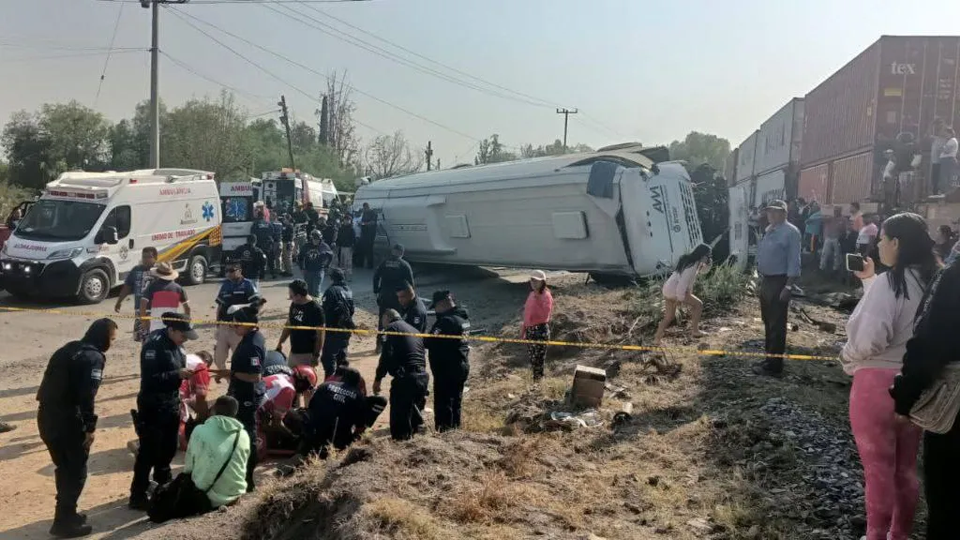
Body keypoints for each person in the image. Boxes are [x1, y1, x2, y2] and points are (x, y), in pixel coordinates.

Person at [841, 213, 938, 540]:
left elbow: (871, 338)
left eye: (882, 239)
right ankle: (899, 534)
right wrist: (869, 280)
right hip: (915, 385)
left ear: (896, 243)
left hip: (875, 386)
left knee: (877, 468)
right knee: (906, 468)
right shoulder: (933, 282)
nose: (878, 245)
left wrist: (847, 356)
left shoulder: (890, 282)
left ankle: (875, 534)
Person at [891, 248, 960, 539]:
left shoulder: (954, 277)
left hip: (955, 416)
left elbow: (929, 343)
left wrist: (905, 400)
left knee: (949, 504)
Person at [36, 319, 117, 537]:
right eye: (111, 339)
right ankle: (63, 521)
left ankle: (67, 514)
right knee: (75, 471)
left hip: (46, 416)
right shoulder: (94, 358)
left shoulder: (67, 349)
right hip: (68, 420)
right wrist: (90, 426)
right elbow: (87, 396)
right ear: (103, 337)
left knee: (64, 466)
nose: (111, 343)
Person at [130, 313, 199, 510]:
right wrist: (176, 374)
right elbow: (150, 378)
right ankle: (138, 494)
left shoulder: (177, 346)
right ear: (172, 330)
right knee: (148, 452)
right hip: (153, 404)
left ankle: (163, 485)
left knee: (168, 447)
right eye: (183, 335)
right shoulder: (154, 345)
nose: (185, 338)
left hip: (170, 403)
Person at [753, 200, 801, 377]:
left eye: (775, 212)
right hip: (767, 280)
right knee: (768, 321)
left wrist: (788, 286)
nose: (771, 215)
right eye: (769, 212)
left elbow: (794, 263)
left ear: (784, 213)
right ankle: (769, 359)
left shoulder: (790, 232)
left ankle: (774, 366)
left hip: (779, 281)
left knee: (777, 324)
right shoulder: (770, 229)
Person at [181, 396, 250, 513]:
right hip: (235, 494)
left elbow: (188, 468)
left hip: (205, 497)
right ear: (235, 413)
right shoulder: (243, 435)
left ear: (214, 410)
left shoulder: (199, 430)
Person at [225, 306, 266, 492]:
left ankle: (248, 477)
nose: (234, 327)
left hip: (248, 395)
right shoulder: (250, 338)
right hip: (241, 392)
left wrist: (232, 373)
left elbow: (254, 376)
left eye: (237, 324)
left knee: (248, 435)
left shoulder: (252, 345)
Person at [373, 309, 429, 441]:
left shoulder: (391, 329)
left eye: (382, 320)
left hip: (406, 379)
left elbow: (385, 357)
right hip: (422, 377)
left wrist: (378, 379)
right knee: (412, 418)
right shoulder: (414, 330)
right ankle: (413, 445)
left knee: (400, 421)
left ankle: (400, 448)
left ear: (387, 317)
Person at [298, 366, 369, 459]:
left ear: (342, 378)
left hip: (313, 435)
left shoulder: (325, 386)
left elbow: (310, 408)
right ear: (358, 382)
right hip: (337, 443)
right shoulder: (359, 397)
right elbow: (360, 428)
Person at [425, 290, 471, 432]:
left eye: (436, 307)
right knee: (456, 401)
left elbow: (429, 341)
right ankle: (455, 430)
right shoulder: (463, 319)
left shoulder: (446, 321)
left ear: (442, 304)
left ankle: (444, 432)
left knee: (443, 402)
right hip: (461, 364)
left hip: (447, 368)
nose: (436, 311)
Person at [653, 244, 711, 346]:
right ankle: (695, 331)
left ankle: (657, 339)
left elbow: (704, 271)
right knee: (698, 305)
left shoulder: (691, 262)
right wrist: (680, 299)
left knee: (669, 317)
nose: (709, 257)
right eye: (708, 255)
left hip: (668, 290)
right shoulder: (692, 266)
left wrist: (709, 263)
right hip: (675, 291)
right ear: (702, 254)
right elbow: (682, 283)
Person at [256, 365, 318, 459]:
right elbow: (276, 424)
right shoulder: (288, 390)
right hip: (252, 412)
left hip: (248, 402)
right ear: (302, 383)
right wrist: (292, 436)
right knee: (260, 450)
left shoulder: (281, 376)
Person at [214, 264, 259, 373]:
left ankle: (237, 380)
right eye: (227, 270)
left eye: (231, 270)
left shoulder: (248, 284)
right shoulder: (225, 285)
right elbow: (220, 305)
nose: (228, 273)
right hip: (224, 326)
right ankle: (227, 378)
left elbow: (257, 304)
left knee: (238, 357)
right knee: (219, 359)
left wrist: (239, 307)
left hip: (238, 329)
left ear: (240, 270)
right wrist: (217, 324)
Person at [373, 244, 415, 351]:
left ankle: (379, 344)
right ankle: (394, 345)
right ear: (401, 253)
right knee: (397, 320)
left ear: (393, 252)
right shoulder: (404, 264)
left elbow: (376, 276)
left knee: (383, 320)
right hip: (398, 296)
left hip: (384, 295)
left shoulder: (384, 263)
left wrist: (376, 290)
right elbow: (411, 283)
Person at [114, 247, 158, 342]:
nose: (145, 259)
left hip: (156, 310)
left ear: (155, 258)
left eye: (149, 257)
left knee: (156, 337)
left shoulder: (160, 271)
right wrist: (119, 301)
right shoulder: (136, 270)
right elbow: (127, 287)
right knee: (143, 337)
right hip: (140, 310)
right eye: (144, 257)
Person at [139, 262, 190, 338]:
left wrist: (143, 321)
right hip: (172, 326)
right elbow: (187, 308)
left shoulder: (152, 286)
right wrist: (186, 322)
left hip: (155, 326)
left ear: (158, 274)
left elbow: (143, 303)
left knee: (156, 345)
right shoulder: (178, 288)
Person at [321, 268, 356, 378]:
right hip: (346, 328)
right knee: (342, 355)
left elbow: (324, 311)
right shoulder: (348, 290)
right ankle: (343, 380)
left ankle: (329, 381)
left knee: (328, 358)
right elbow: (352, 310)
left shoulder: (330, 291)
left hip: (333, 329)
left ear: (332, 278)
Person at [521, 270, 554, 382]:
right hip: (530, 330)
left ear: (542, 282)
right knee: (533, 359)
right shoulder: (531, 294)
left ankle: (538, 383)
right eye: (532, 280)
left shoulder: (546, 296)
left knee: (538, 360)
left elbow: (545, 315)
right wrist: (524, 330)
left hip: (540, 330)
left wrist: (538, 298)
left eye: (536, 281)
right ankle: (536, 381)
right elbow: (526, 313)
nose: (533, 283)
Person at [179, 351, 214, 451]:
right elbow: (201, 395)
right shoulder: (201, 367)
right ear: (206, 361)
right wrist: (203, 417)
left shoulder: (185, 358)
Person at [299, 230, 334, 297]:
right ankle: (309, 305)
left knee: (316, 290)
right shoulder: (306, 246)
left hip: (319, 271)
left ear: (320, 239)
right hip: (308, 271)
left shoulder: (324, 246)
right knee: (309, 290)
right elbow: (300, 257)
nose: (316, 241)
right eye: (314, 239)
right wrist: (302, 268)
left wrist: (327, 265)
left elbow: (331, 255)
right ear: (311, 239)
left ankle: (317, 305)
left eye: (317, 239)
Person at [252, 208, 277, 280]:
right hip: (268, 244)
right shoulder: (268, 223)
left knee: (260, 260)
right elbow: (273, 232)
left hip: (259, 244)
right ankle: (273, 273)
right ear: (263, 216)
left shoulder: (256, 224)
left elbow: (253, 234)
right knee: (270, 259)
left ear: (258, 216)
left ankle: (262, 275)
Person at [820, 207, 844, 274]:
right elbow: (822, 220)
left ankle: (835, 268)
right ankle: (822, 267)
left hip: (837, 238)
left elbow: (844, 229)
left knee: (837, 254)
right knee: (824, 253)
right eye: (835, 211)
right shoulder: (830, 218)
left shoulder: (843, 219)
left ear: (840, 211)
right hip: (828, 237)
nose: (835, 212)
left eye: (837, 211)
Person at [337, 213, 356, 281]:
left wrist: (353, 247)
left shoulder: (351, 229)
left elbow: (354, 239)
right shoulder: (341, 228)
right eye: (345, 219)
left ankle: (348, 277)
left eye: (348, 220)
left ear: (350, 221)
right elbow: (338, 237)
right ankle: (342, 276)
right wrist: (338, 245)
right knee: (342, 262)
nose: (347, 221)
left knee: (348, 263)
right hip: (342, 247)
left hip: (348, 247)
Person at [930, 118, 947, 195]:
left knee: (938, 179)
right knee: (935, 179)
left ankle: (939, 192)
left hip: (940, 162)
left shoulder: (944, 139)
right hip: (935, 162)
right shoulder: (936, 138)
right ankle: (935, 192)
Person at [359, 202, 378, 269]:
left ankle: (370, 265)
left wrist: (364, 223)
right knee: (363, 248)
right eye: (364, 208)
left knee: (369, 249)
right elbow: (362, 221)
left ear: (368, 207)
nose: (364, 209)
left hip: (370, 233)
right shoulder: (364, 213)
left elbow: (373, 222)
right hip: (364, 233)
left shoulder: (373, 213)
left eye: (365, 208)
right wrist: (361, 223)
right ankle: (361, 263)